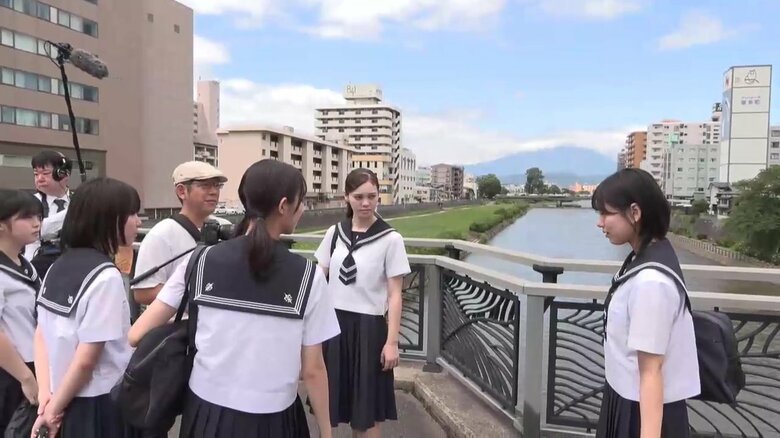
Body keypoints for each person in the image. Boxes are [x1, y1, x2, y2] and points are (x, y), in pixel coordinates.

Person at [128, 159, 339, 438]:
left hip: (205, 414)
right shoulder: (308, 276)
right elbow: (313, 369)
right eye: (301, 202)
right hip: (274, 417)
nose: (303, 209)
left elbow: (136, 334)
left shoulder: (200, 261)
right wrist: (326, 432)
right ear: (284, 205)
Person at [32, 177, 143, 438]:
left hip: (61, 395)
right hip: (98, 401)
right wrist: (52, 412)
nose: (138, 221)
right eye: (132, 213)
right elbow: (86, 360)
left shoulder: (57, 266)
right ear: (108, 218)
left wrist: (46, 396)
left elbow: (41, 333)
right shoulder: (106, 276)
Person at [593, 168, 699, 437]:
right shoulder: (647, 256)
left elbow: (651, 371)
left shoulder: (651, 281)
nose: (600, 223)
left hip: (642, 412)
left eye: (606, 213)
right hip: (627, 397)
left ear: (635, 213)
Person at [313, 168, 411, 436]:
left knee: (366, 414)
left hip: (369, 329)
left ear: (380, 196)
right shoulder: (335, 233)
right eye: (359, 197)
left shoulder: (391, 239)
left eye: (372, 196)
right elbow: (318, 277)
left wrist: (391, 343)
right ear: (346, 197)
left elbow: (394, 295)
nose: (366, 203)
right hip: (332, 327)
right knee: (330, 401)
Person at [132, 161, 227, 306]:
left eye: (217, 185)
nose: (214, 192)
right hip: (182, 324)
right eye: (205, 185)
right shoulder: (162, 234)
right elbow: (143, 292)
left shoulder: (225, 227)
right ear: (181, 191)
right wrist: (200, 292)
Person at [0, 190, 42, 431]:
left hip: (30, 365)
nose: (36, 223)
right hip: (11, 372)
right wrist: (25, 377)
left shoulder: (24, 264)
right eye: (26, 217)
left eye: (38, 216)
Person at [23, 151, 72, 275]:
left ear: (63, 174)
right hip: (38, 270)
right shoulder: (28, 202)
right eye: (36, 174)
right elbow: (36, 231)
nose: (39, 178)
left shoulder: (76, 201)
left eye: (45, 173)